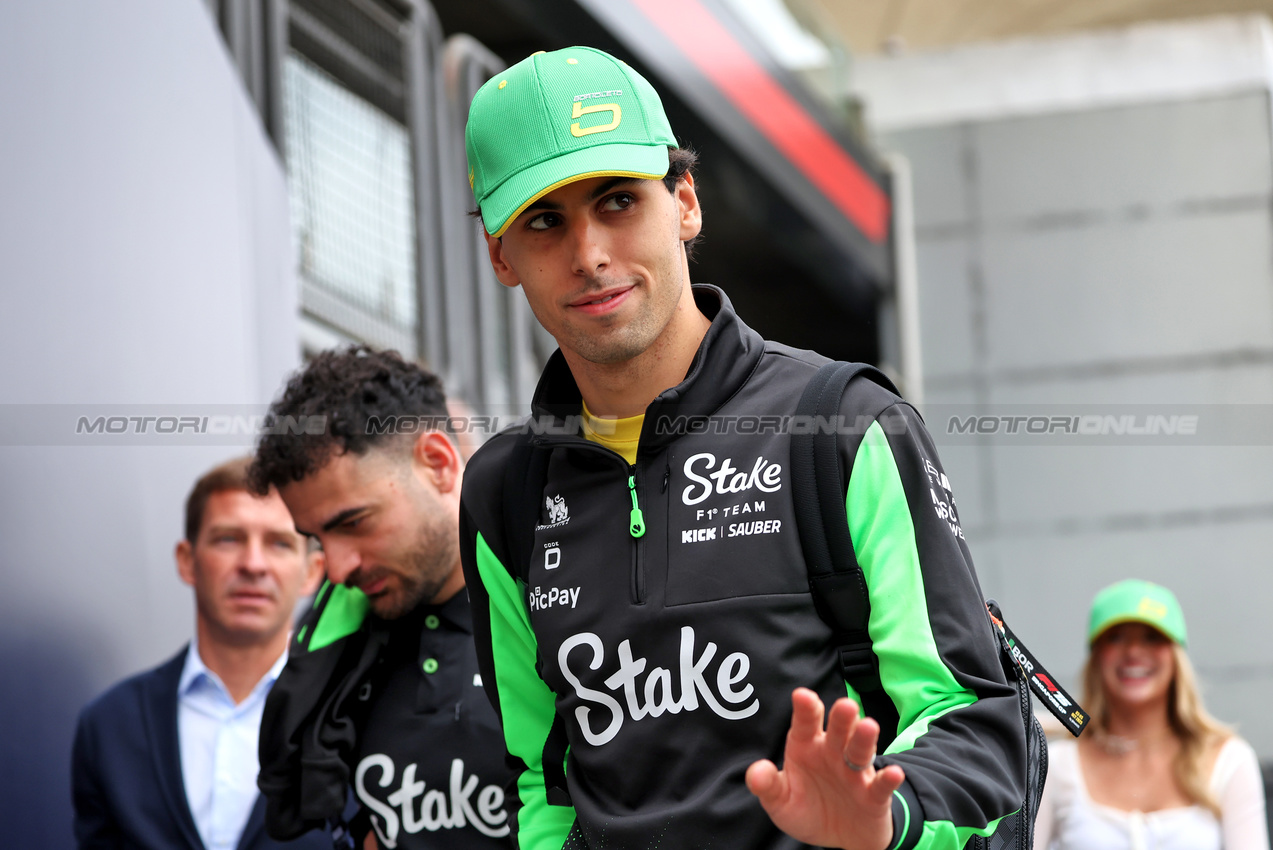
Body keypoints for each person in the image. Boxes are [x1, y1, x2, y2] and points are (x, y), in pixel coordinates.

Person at [457, 46, 1027, 850]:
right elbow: (542, 783)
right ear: (498, 254)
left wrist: (884, 819)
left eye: (617, 201)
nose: (588, 254)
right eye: (545, 220)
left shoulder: (841, 423)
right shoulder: (502, 494)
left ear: (684, 202)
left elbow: (970, 720)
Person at [249, 346, 514, 850]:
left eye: (353, 523)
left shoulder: (559, 615)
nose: (338, 566)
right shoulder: (331, 665)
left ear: (437, 464)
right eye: (317, 540)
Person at [71, 457, 328, 850]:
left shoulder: (350, 719)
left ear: (312, 572)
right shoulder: (108, 726)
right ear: (187, 561)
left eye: (278, 543)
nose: (253, 564)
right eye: (229, 539)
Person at [1034, 579, 1269, 850]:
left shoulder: (1230, 760)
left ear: (1175, 655)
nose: (1133, 652)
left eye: (1152, 637)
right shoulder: (1056, 764)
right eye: (1116, 637)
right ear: (1096, 657)